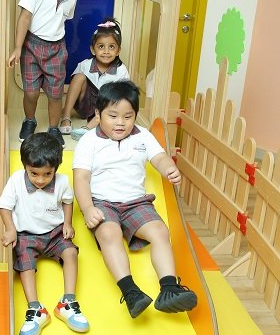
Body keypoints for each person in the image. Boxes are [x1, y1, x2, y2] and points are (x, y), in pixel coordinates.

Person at [73, 80, 197, 318]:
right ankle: (131, 293)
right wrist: (87, 208)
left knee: (160, 231)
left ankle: (169, 289)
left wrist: (169, 168)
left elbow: (159, 157)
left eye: (128, 116)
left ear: (135, 116)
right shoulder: (89, 141)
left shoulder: (143, 136)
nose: (120, 122)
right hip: (102, 203)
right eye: (112, 116)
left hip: (136, 203)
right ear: (98, 115)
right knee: (109, 233)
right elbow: (81, 178)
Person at [0, 132, 89, 335]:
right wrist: (11, 229)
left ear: (56, 168)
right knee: (24, 261)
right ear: (25, 167)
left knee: (71, 253)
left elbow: (67, 201)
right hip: (26, 235)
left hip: (54, 233)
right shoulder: (16, 180)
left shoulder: (62, 182)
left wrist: (67, 223)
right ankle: (35, 308)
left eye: (48, 174)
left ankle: (67, 302)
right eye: (34, 174)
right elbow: (4, 206)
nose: (41, 180)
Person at [8, 0, 84, 148]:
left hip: (56, 49)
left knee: (55, 93)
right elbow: (24, 17)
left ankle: (53, 128)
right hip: (32, 46)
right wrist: (17, 48)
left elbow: (63, 19)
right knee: (31, 91)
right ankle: (29, 120)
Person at [59, 17, 130, 141]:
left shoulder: (121, 70)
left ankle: (88, 128)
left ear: (118, 50)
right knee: (79, 77)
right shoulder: (84, 65)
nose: (106, 51)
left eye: (111, 47)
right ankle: (66, 116)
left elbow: (123, 98)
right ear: (93, 49)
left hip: (108, 109)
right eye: (101, 47)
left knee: (118, 94)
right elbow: (74, 87)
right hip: (86, 105)